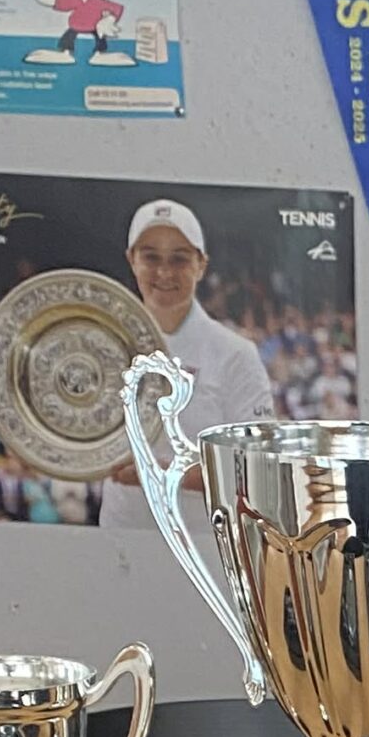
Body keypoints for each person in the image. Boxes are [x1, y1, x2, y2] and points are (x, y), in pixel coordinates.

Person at [103, 198, 276, 531]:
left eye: (179, 259)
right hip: (120, 536)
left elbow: (260, 469)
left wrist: (161, 471)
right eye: (151, 257)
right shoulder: (105, 344)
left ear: (201, 265)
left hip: (205, 543)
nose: (164, 272)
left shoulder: (235, 354)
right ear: (131, 260)